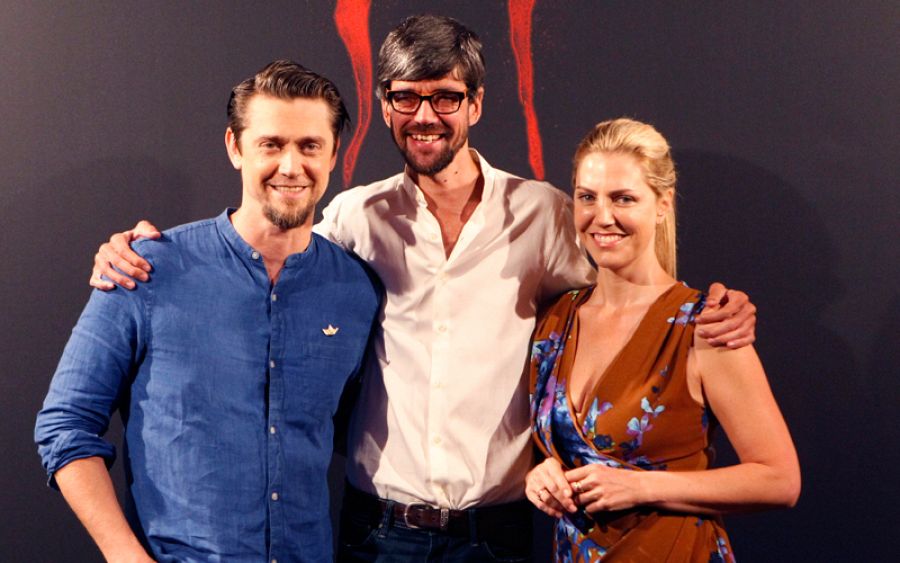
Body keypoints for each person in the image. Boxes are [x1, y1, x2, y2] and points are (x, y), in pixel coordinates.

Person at [87, 16, 757, 562]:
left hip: (498, 533)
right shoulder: (353, 216)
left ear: (477, 103)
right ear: (384, 104)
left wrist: (709, 305)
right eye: (406, 96)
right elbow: (268, 256)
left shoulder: (545, 214)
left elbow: (627, 295)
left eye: (445, 96)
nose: (425, 114)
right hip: (378, 534)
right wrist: (149, 250)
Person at [35, 60, 381, 562]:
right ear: (235, 148)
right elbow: (64, 425)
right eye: (271, 144)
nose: (290, 165)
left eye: (309, 145)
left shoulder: (356, 290)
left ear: (333, 155)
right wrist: (124, 556)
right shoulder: (144, 270)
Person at [525, 118, 800, 562]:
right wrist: (541, 473)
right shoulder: (557, 318)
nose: (603, 217)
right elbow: (555, 446)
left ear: (662, 203)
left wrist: (640, 486)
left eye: (624, 199)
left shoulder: (706, 326)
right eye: (587, 197)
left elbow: (779, 480)